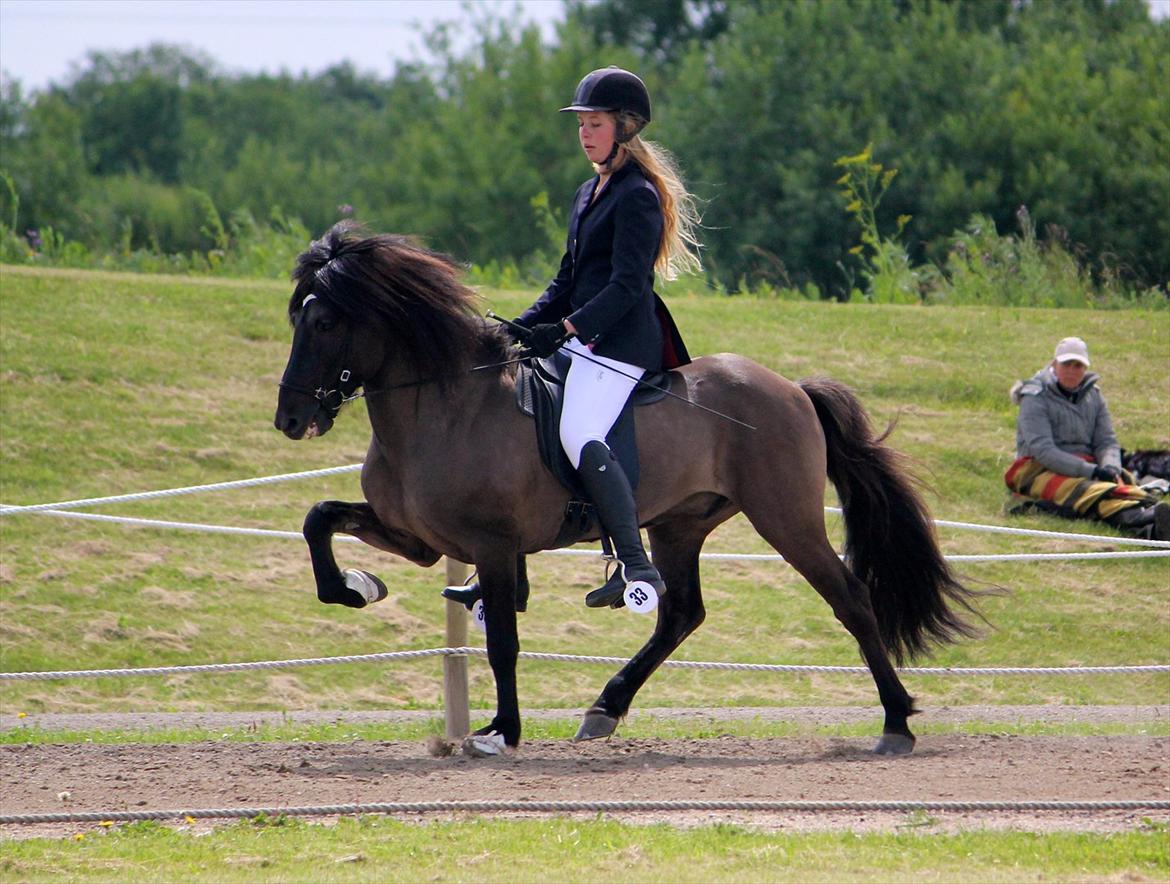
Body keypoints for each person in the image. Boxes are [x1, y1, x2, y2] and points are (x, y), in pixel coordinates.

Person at [444, 67, 701, 612]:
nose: (585, 133)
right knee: (520, 417)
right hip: (581, 340)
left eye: (596, 123)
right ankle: (505, 573)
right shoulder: (588, 192)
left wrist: (565, 329)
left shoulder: (637, 195)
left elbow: (627, 286)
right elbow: (567, 280)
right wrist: (519, 327)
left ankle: (635, 564)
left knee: (579, 432)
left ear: (625, 127)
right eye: (581, 123)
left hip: (621, 346)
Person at [1005, 336, 1169, 540]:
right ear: (1054, 364)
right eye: (1066, 364)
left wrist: (1110, 467)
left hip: (1088, 465)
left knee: (1121, 484)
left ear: (1085, 368)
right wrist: (1092, 471)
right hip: (1039, 469)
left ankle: (1152, 530)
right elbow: (1043, 450)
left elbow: (1106, 441)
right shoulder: (1034, 398)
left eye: (1078, 365)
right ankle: (1147, 518)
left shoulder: (1094, 396)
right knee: (1093, 491)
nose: (1072, 370)